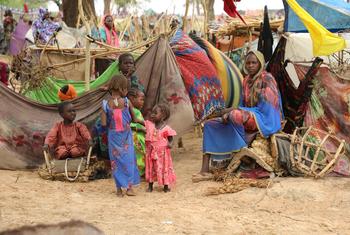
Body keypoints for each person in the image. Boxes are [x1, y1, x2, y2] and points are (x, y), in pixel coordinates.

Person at [193, 50, 283, 180]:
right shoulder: (246, 80)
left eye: (254, 62)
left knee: (234, 115)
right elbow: (242, 103)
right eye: (248, 63)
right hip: (248, 115)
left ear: (260, 63)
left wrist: (233, 111)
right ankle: (205, 170)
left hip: (265, 118)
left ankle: (242, 151)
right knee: (209, 124)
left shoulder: (267, 79)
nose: (250, 65)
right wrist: (231, 112)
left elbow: (267, 108)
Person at [101, 75, 144, 197]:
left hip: (113, 137)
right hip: (126, 137)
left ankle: (119, 190)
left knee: (116, 162)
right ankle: (129, 188)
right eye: (125, 88)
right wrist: (145, 123)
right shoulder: (126, 102)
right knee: (129, 160)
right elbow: (135, 119)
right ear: (121, 88)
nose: (126, 91)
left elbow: (104, 124)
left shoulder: (105, 104)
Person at [145, 104, 176, 193]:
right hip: (152, 153)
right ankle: (150, 186)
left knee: (164, 169)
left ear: (163, 115)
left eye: (155, 113)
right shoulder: (150, 125)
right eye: (152, 113)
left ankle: (166, 186)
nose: (152, 115)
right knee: (152, 168)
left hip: (163, 154)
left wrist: (170, 144)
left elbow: (171, 139)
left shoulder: (166, 128)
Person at [128, 88, 146, 176]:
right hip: (135, 138)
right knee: (139, 155)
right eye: (141, 99)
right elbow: (128, 124)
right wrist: (141, 129)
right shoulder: (131, 112)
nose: (143, 102)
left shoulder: (136, 111)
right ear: (132, 99)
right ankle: (139, 173)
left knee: (141, 155)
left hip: (139, 137)